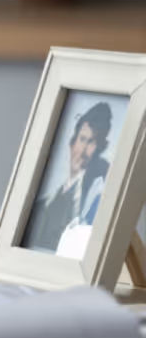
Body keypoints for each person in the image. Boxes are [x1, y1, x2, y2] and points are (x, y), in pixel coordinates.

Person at [26, 100, 117, 258]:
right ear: (71, 143)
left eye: (92, 142)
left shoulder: (95, 201)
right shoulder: (42, 204)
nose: (83, 150)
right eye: (82, 139)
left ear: (100, 149)